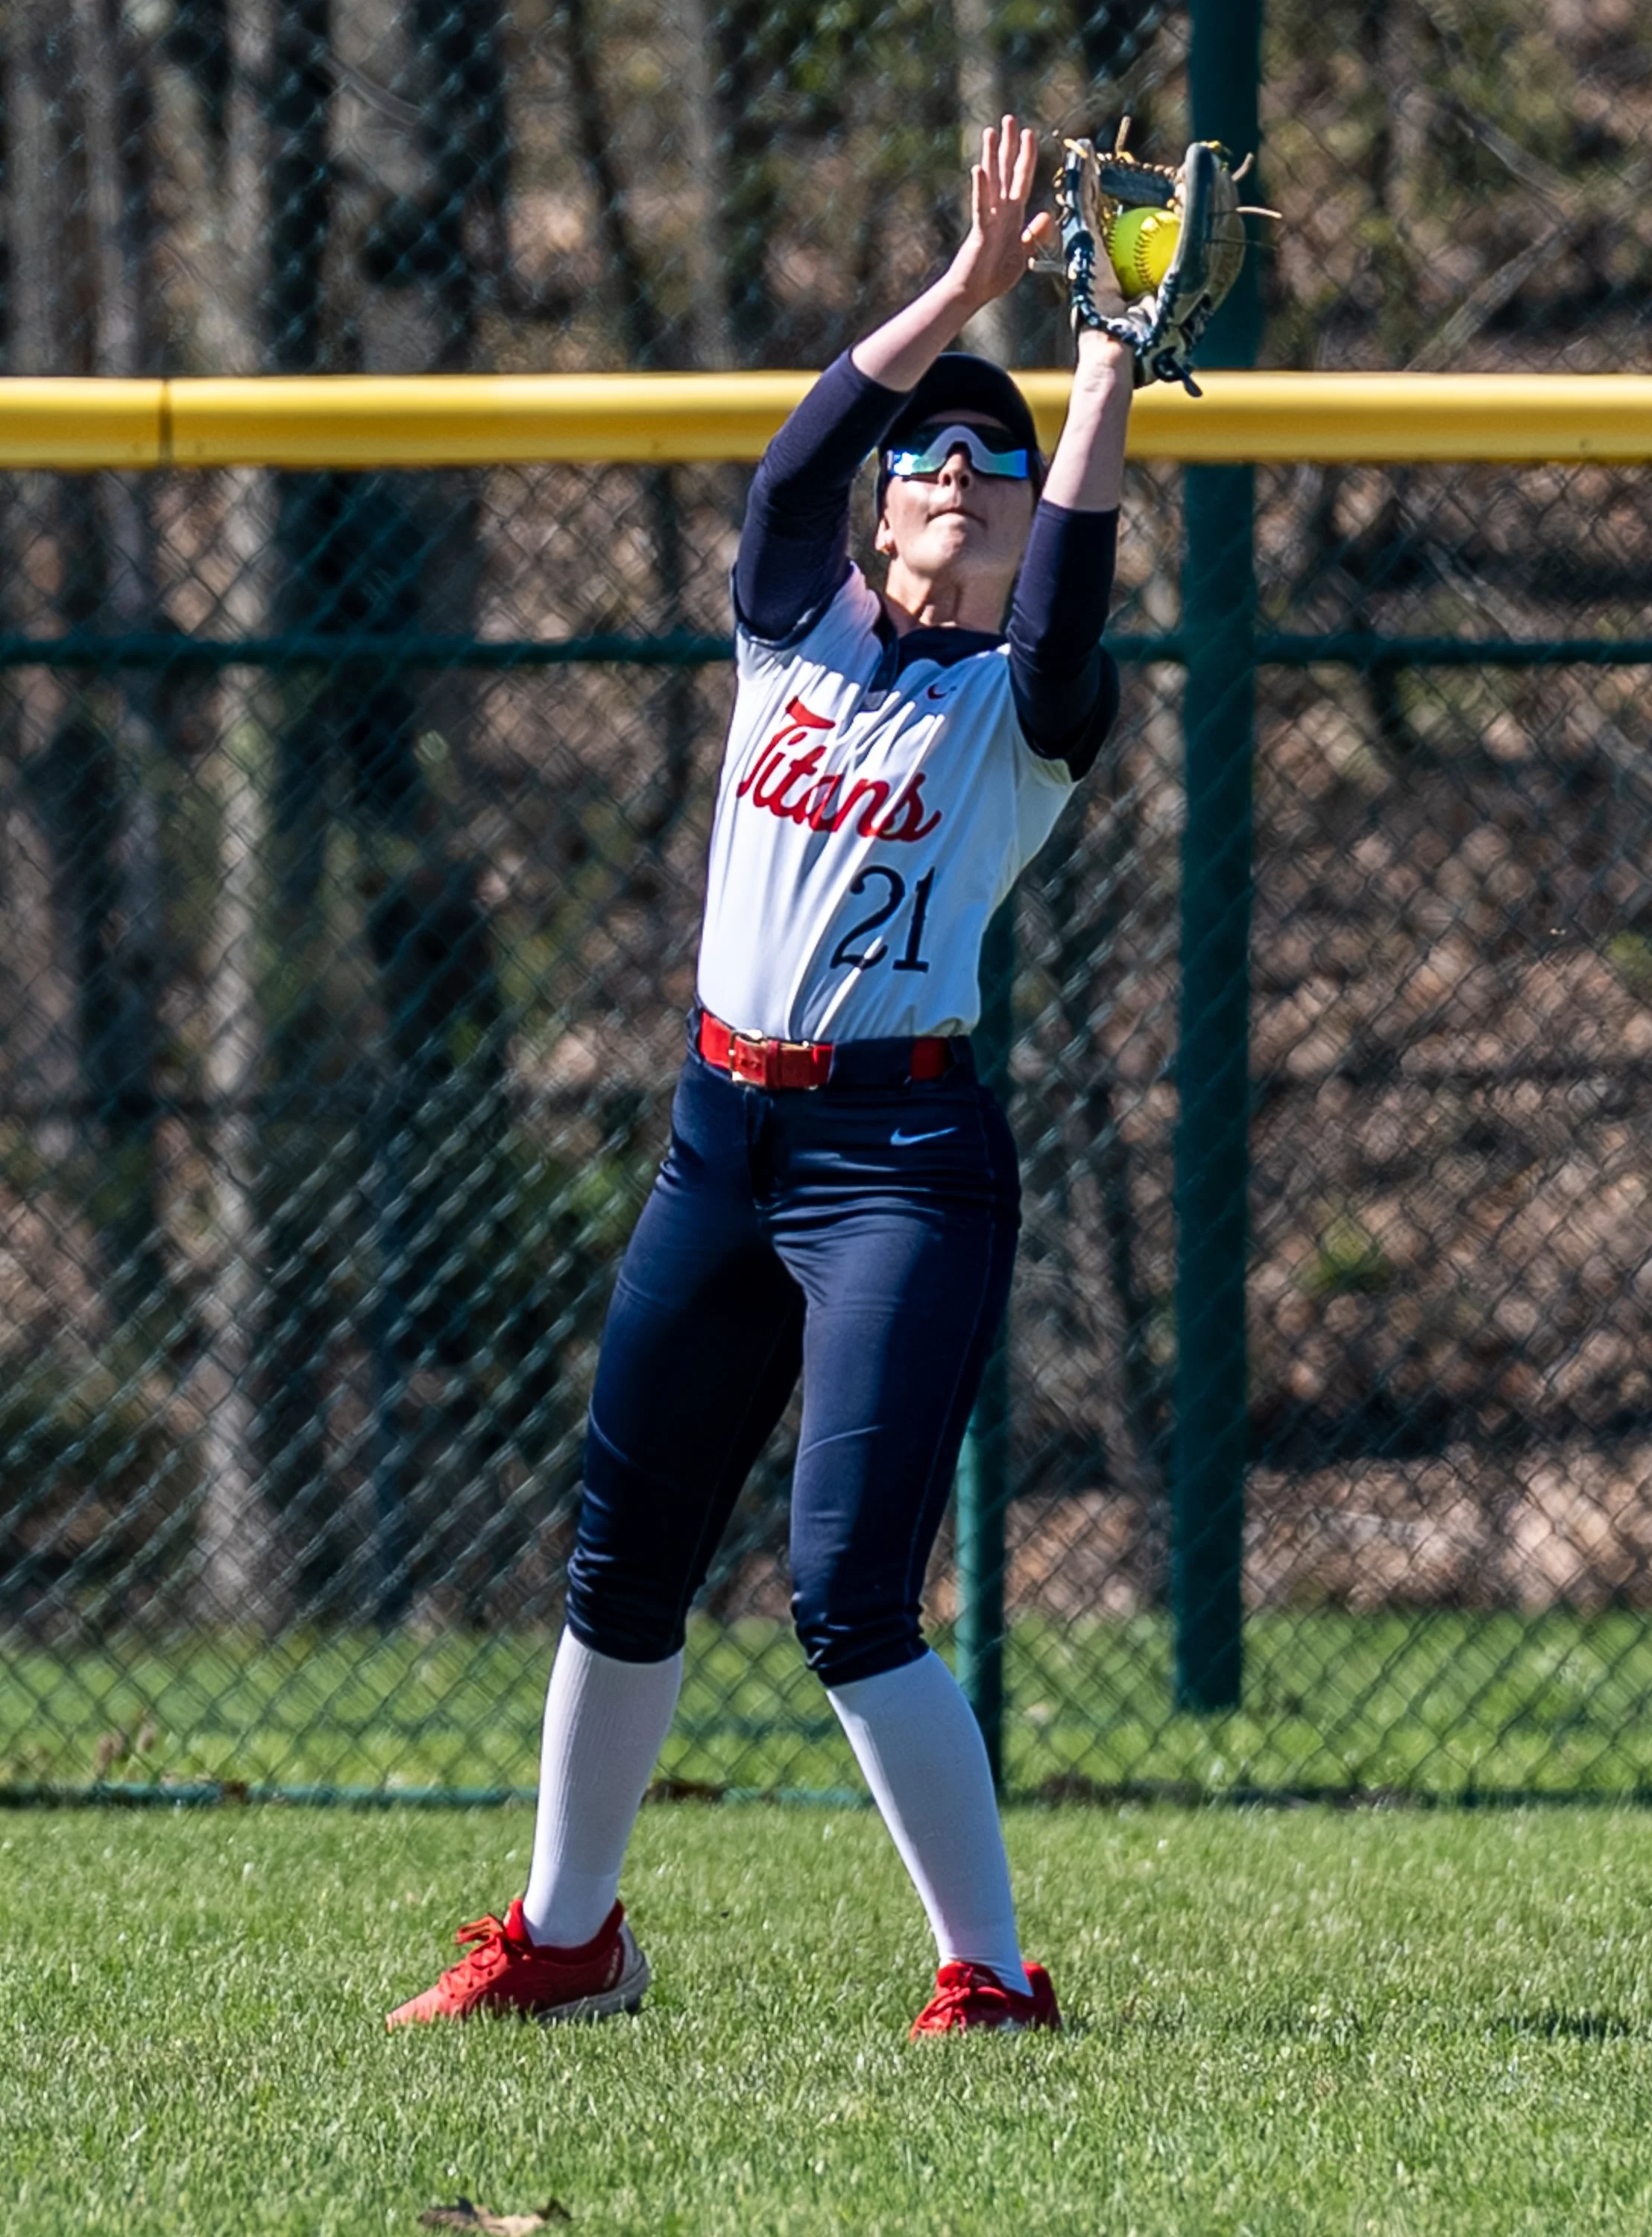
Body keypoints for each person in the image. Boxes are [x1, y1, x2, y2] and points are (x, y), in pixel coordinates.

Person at [388, 114, 1134, 2038]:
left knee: (844, 1599)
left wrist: (1104, 375)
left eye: (993, 459)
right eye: (935, 462)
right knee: (622, 1561)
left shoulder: (1016, 717)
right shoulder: (790, 630)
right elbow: (801, 455)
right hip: (721, 1139)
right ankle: (569, 1945)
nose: (959, 477)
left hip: (899, 1159)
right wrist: (971, 295)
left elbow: (1066, 613)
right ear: (888, 514)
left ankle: (990, 1976)